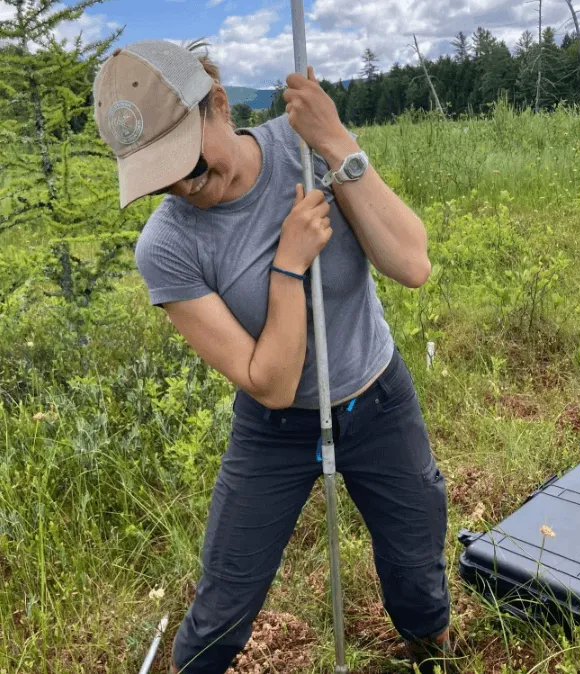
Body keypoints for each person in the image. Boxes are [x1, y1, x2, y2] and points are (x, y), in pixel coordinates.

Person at [92, 39, 451, 673]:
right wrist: (288, 265)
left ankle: (429, 650)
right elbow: (272, 382)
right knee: (225, 600)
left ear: (218, 106)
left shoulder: (305, 145)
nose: (181, 186)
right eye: (158, 180)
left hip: (378, 397)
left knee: (416, 565)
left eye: (189, 164)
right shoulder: (166, 248)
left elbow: (412, 263)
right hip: (274, 429)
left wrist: (338, 142)